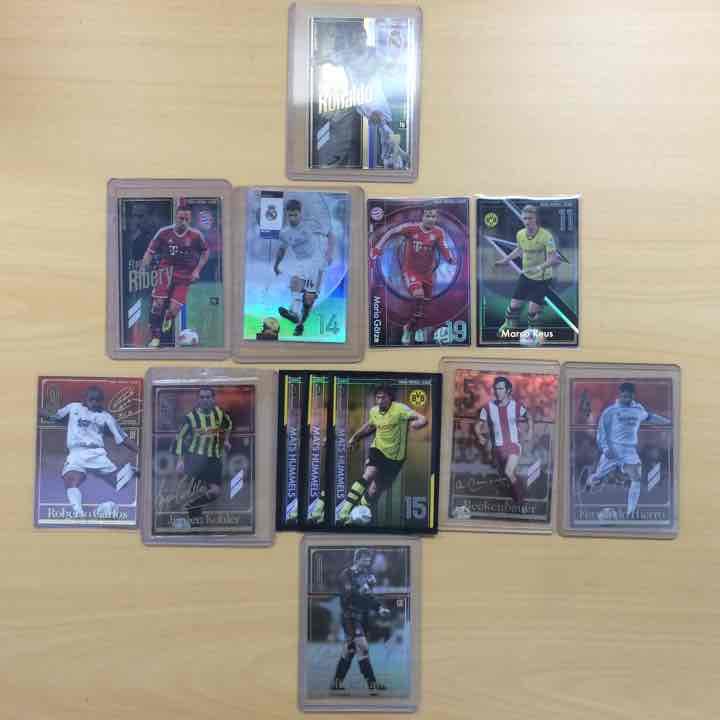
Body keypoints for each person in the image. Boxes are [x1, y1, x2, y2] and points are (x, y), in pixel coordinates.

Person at [314, 22, 408, 169]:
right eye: (357, 37)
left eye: (363, 37)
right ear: (352, 39)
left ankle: (395, 158)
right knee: (380, 124)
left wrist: (397, 47)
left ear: (365, 38)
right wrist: (313, 59)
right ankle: (395, 156)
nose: (360, 40)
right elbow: (327, 58)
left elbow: (391, 63)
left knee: (385, 125)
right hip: (361, 101)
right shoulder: (347, 55)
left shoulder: (375, 53)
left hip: (376, 99)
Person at [39, 386, 138, 517]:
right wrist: (34, 409)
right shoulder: (73, 407)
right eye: (91, 400)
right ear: (85, 399)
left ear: (102, 401)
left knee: (119, 484)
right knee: (70, 479)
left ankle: (130, 471)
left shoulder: (106, 417)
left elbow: (123, 437)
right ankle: (78, 513)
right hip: (76, 453)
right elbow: (55, 416)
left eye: (98, 400)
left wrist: (141, 451)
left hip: (96, 454)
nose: (94, 403)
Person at [338, 386, 427, 523]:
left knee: (375, 490)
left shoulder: (400, 409)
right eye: (378, 397)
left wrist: (418, 423)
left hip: (395, 458)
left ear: (390, 398)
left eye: (383, 397)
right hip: (378, 449)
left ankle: (357, 513)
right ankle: (344, 511)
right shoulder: (374, 411)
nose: (380, 400)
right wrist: (355, 437)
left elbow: (421, 418)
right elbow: (370, 426)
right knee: (369, 474)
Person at [584, 382, 670, 517]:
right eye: (623, 396)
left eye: (629, 396)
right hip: (613, 449)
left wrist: (668, 422)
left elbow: (650, 417)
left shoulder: (638, 410)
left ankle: (631, 512)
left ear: (633, 396)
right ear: (619, 395)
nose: (626, 399)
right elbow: (601, 431)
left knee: (636, 478)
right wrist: (605, 449)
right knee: (598, 477)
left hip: (629, 451)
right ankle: (590, 481)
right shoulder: (610, 411)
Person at [370, 206, 455, 344]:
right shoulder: (411, 228)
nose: (431, 219)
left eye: (433, 216)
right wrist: (377, 247)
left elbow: (444, 247)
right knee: (418, 295)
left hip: (427, 275)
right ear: (422, 217)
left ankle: (411, 327)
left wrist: (450, 258)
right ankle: (411, 329)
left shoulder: (438, 232)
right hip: (411, 271)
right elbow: (391, 232)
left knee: (423, 308)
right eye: (428, 216)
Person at [139, 198, 209, 348]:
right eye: (181, 218)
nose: (183, 222)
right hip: (165, 273)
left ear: (190, 219)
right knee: (157, 304)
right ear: (176, 218)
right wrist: (143, 267)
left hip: (184, 276)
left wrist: (197, 270)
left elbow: (205, 252)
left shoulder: (196, 236)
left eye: (186, 219)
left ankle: (169, 316)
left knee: (173, 309)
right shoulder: (164, 233)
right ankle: (155, 337)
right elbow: (150, 251)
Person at [331, 548, 391, 693]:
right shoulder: (346, 574)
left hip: (360, 617)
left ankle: (336, 683)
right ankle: (372, 684)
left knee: (350, 650)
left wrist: (379, 608)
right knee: (363, 647)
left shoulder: (365, 574)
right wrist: (365, 586)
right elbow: (348, 595)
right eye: (365, 558)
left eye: (369, 559)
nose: (368, 561)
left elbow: (368, 596)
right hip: (349, 617)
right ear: (357, 559)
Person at [495, 205, 560, 335]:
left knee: (532, 311)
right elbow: (519, 249)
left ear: (535, 219)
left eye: (530, 218)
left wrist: (538, 268)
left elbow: (553, 259)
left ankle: (533, 331)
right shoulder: (520, 234)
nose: (527, 221)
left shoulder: (546, 236)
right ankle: (509, 324)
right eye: (524, 218)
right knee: (513, 306)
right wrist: (505, 260)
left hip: (542, 279)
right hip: (526, 276)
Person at [274, 198, 334, 337]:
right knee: (295, 282)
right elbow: (282, 249)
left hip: (317, 263)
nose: (293, 218)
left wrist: (329, 253)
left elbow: (330, 234)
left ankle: (300, 324)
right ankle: (294, 313)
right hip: (302, 262)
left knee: (308, 299)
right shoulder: (285, 233)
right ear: (286, 214)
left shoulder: (311, 225)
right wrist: (276, 265)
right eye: (290, 215)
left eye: (295, 215)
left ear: (300, 213)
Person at [173, 387, 233, 521]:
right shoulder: (191, 417)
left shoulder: (219, 414)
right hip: (196, 458)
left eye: (207, 397)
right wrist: (180, 461)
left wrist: (226, 440)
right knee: (194, 491)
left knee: (215, 492)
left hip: (213, 459)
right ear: (198, 400)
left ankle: (192, 506)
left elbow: (228, 424)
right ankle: (194, 521)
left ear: (213, 399)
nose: (205, 400)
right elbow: (180, 438)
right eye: (202, 397)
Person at [474, 376, 532, 503]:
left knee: (508, 471)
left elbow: (529, 417)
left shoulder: (516, 406)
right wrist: (480, 436)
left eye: (500, 389)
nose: (497, 391)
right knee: (504, 475)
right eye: (496, 389)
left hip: (513, 445)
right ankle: (519, 493)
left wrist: (529, 432)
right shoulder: (488, 407)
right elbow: (478, 426)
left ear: (508, 390)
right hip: (498, 449)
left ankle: (521, 501)